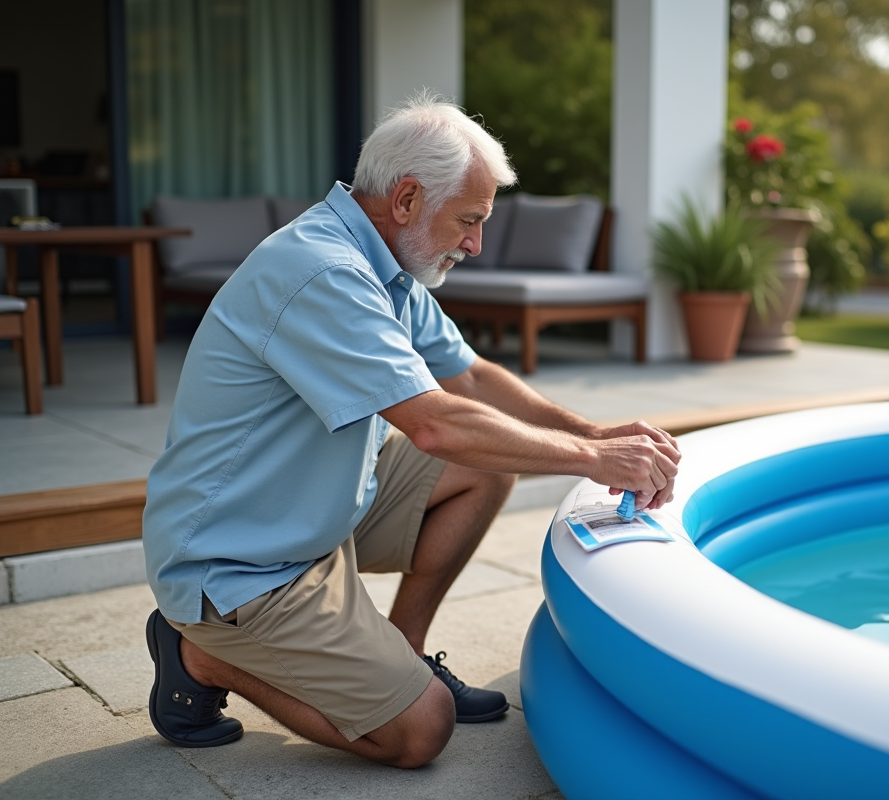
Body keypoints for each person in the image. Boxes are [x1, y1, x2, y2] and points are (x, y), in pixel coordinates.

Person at [141, 94, 681, 768]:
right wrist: (592, 458)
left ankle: (407, 652)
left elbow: (473, 379)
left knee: (487, 465)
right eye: (469, 220)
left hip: (317, 513)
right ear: (404, 201)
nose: (476, 244)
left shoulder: (387, 265)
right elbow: (434, 426)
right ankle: (198, 653)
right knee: (421, 731)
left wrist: (593, 431)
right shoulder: (325, 272)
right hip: (238, 563)